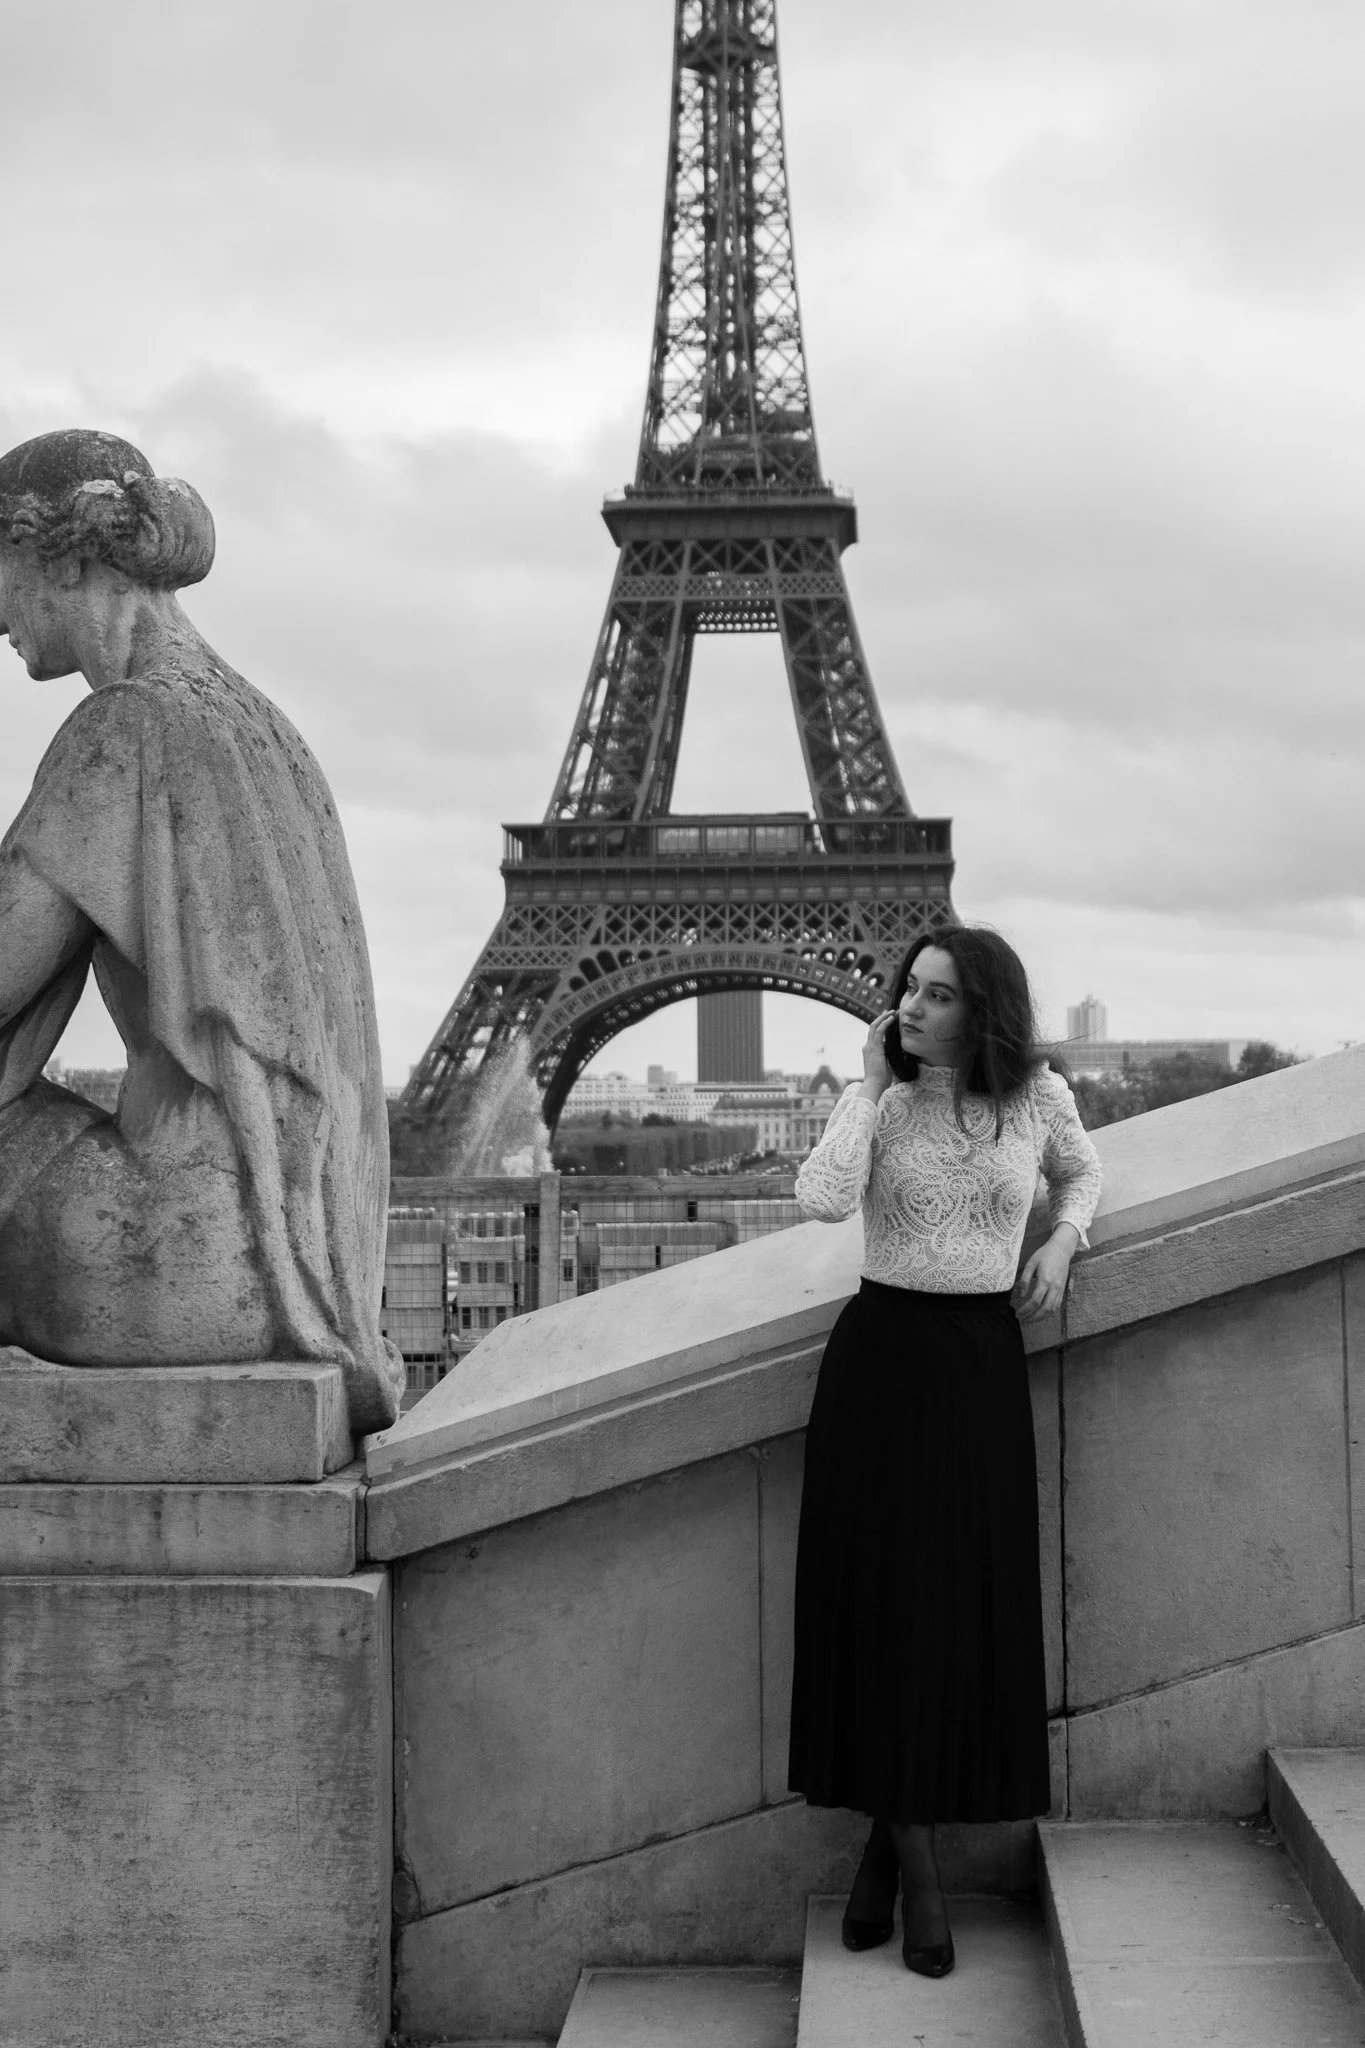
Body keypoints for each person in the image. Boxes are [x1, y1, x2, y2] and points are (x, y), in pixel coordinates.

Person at [0, 428, 404, 1432]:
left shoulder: (126, 727)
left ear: (61, 559)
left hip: (179, 1254)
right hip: (273, 1262)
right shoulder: (258, 723)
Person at [787, 926, 1101, 1977]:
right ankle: (922, 1878)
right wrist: (869, 1084)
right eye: (909, 989)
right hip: (880, 1369)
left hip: (978, 1368)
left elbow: (1081, 1173)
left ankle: (885, 1850)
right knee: (885, 1613)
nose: (913, 1007)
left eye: (939, 994)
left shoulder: (1038, 1097)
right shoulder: (880, 1099)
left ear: (983, 1009)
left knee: (952, 1616)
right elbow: (820, 1199)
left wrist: (1062, 1240)